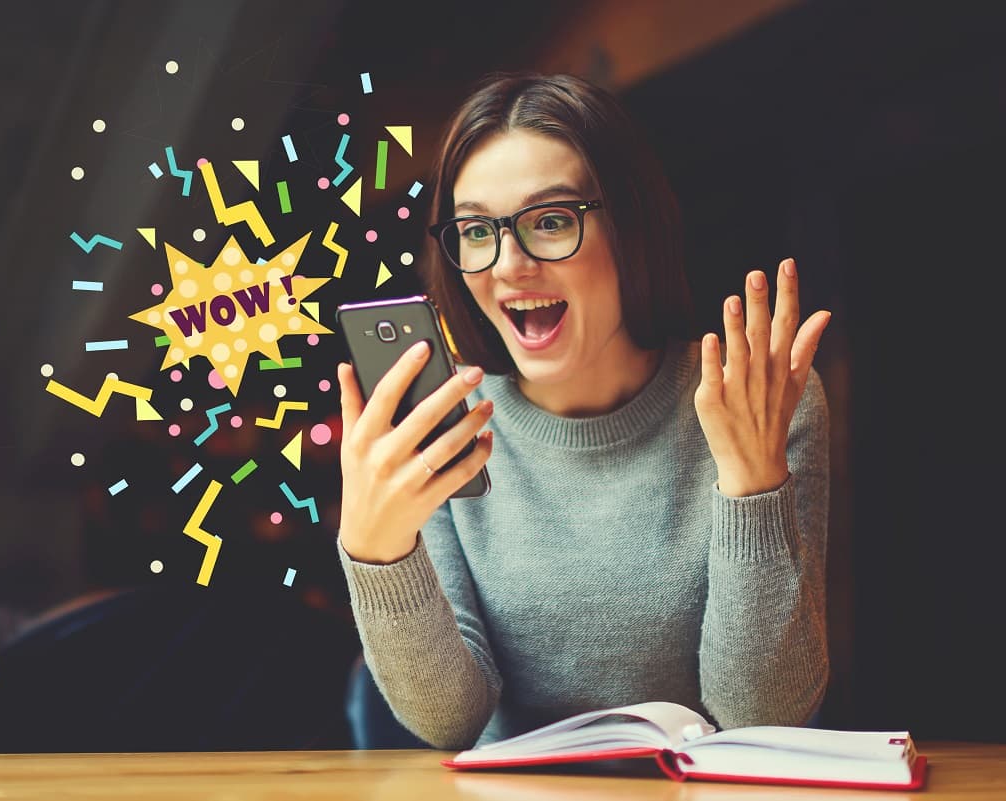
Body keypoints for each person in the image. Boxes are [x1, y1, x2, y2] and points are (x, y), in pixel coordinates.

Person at [334, 71, 832, 751]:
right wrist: (376, 550)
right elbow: (451, 720)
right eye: (477, 230)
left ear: (629, 226)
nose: (508, 264)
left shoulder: (760, 400)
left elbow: (763, 714)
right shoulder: (447, 425)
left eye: (550, 221)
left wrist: (753, 485)